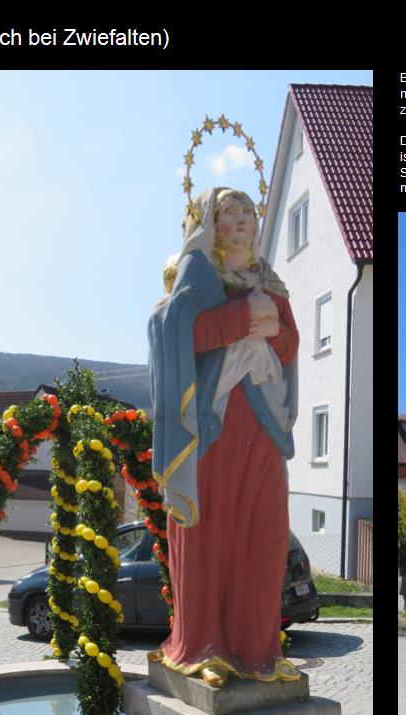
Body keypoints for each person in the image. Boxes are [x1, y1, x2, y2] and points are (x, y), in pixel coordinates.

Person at [147, 187, 300, 686]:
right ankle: (203, 645)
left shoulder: (269, 280)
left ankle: (259, 650)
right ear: (212, 225)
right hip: (211, 426)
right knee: (209, 533)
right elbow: (179, 330)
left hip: (262, 423)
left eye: (248, 211)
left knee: (266, 534)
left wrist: (268, 320)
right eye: (229, 211)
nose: (242, 219)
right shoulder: (200, 273)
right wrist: (245, 318)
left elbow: (290, 341)